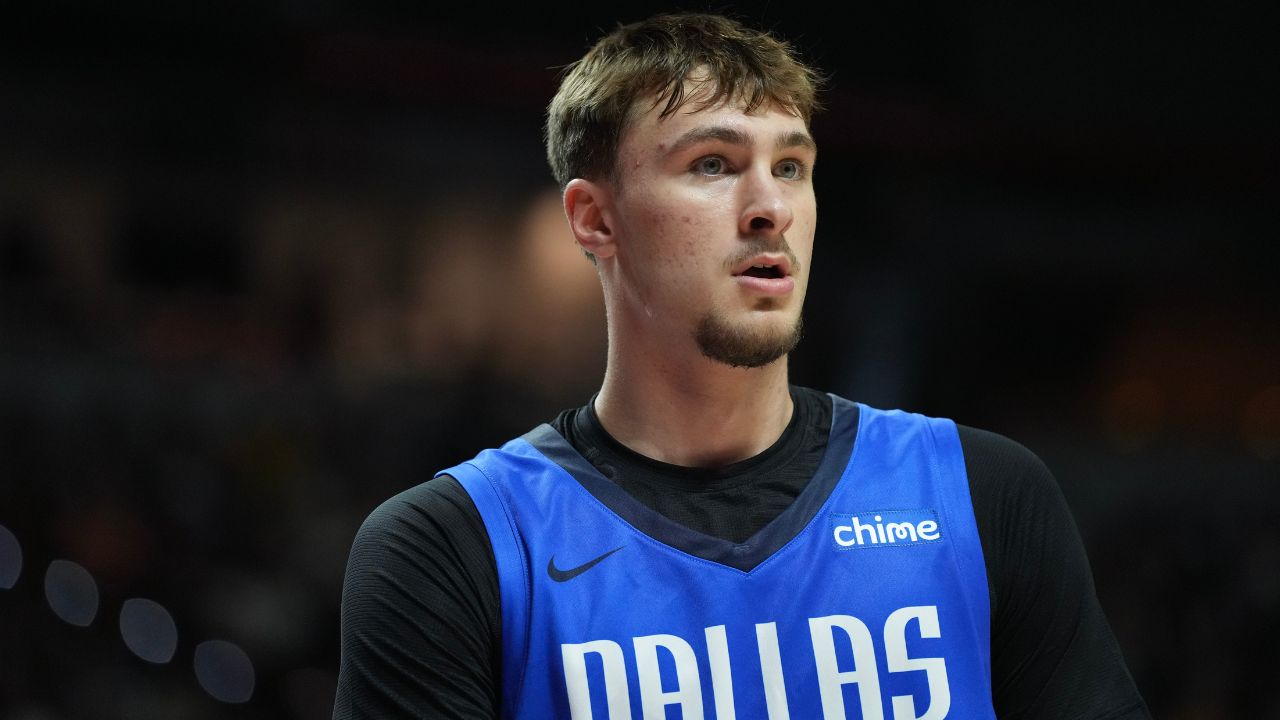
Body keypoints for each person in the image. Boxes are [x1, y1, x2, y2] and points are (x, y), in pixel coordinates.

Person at [334, 12, 1150, 719]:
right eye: (713, 165)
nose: (771, 208)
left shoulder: (984, 494)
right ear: (595, 220)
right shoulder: (451, 549)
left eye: (791, 167)